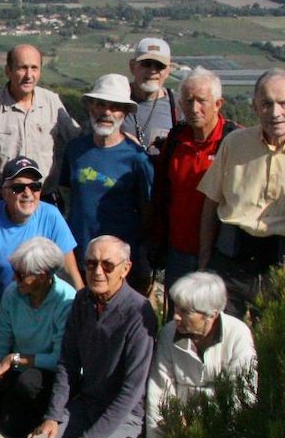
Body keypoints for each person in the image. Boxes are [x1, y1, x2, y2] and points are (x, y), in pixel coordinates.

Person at [14, 236, 155, 438]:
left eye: (107, 265)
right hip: (88, 404)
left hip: (125, 416)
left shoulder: (139, 312)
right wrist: (53, 416)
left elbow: (132, 390)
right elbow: (67, 363)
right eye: (90, 264)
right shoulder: (82, 301)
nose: (98, 272)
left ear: (126, 268)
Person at [197, 69, 285, 318]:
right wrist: (205, 261)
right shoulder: (234, 144)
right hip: (230, 263)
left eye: (284, 103)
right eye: (267, 104)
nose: (275, 113)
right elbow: (211, 202)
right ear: (255, 107)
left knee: (274, 346)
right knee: (220, 343)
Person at [138, 271, 257, 438]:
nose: (176, 316)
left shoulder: (238, 335)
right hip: (178, 430)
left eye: (185, 312)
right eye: (176, 308)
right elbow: (159, 391)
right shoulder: (168, 334)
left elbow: (242, 399)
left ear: (210, 315)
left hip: (218, 432)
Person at [0, 237, 76, 438]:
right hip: (14, 368)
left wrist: (17, 358)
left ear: (42, 276)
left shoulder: (66, 300)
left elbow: (60, 358)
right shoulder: (12, 294)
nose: (14, 279)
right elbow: (2, 340)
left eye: (21, 275)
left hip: (45, 375)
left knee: (27, 385)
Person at [150, 68, 238, 293]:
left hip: (222, 254)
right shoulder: (176, 139)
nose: (194, 108)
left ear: (218, 104)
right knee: (177, 318)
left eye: (202, 101)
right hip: (178, 250)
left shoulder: (234, 141)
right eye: (188, 101)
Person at [60, 74, 154, 267]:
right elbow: (69, 195)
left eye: (115, 107)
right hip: (78, 256)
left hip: (118, 262)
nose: (106, 112)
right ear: (90, 107)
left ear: (125, 113)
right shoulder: (75, 150)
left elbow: (147, 212)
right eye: (100, 104)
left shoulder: (137, 159)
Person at [0, 156, 82, 304]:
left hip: (41, 307)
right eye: (18, 188)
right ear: (4, 192)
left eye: (35, 187)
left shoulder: (51, 215)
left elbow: (70, 272)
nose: (28, 193)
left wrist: (84, 309)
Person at [0, 44, 80, 190]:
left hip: (44, 198)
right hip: (5, 197)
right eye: (22, 68)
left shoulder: (52, 101)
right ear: (8, 71)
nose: (29, 75)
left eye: (34, 68)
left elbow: (76, 139)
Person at [123, 37, 178, 153]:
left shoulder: (179, 107)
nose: (152, 70)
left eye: (159, 66)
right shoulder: (115, 100)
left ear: (168, 70)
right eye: (146, 64)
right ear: (132, 66)